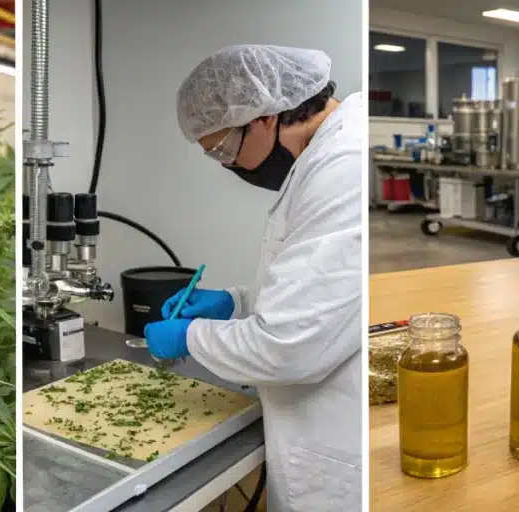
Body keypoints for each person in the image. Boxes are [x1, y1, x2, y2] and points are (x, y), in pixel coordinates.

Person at [144, 45, 362, 510]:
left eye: (224, 148)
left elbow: (290, 345)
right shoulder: (322, 158)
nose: (229, 165)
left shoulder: (344, 168)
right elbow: (319, 294)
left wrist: (191, 337)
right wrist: (233, 303)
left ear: (265, 115)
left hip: (336, 450)